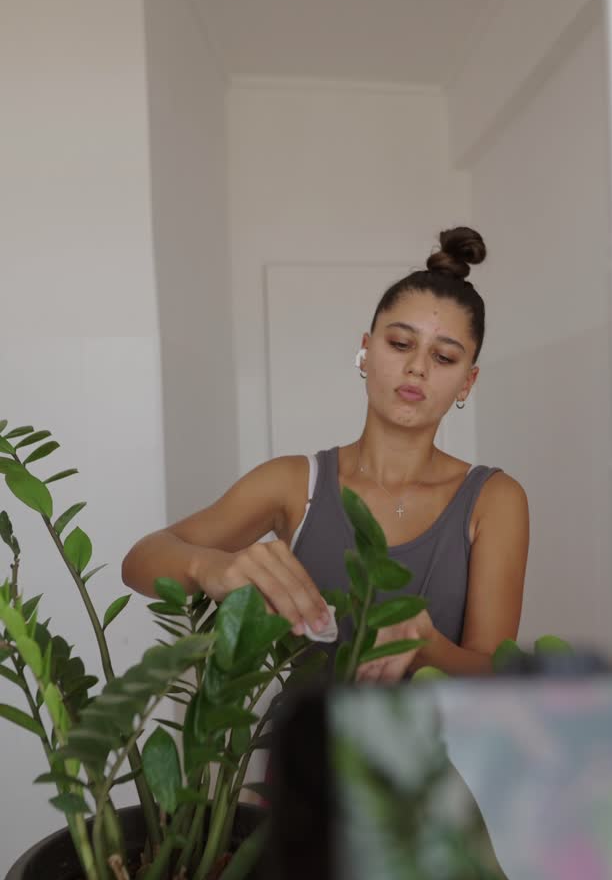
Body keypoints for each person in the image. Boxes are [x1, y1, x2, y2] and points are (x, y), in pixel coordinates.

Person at [121, 226, 529, 682]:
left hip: (439, 754)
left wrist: (428, 647)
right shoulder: (293, 483)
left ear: (467, 383)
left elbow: (498, 674)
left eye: (444, 357)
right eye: (399, 344)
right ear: (365, 351)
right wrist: (211, 566)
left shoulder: (494, 499)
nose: (417, 367)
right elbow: (141, 559)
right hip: (300, 753)